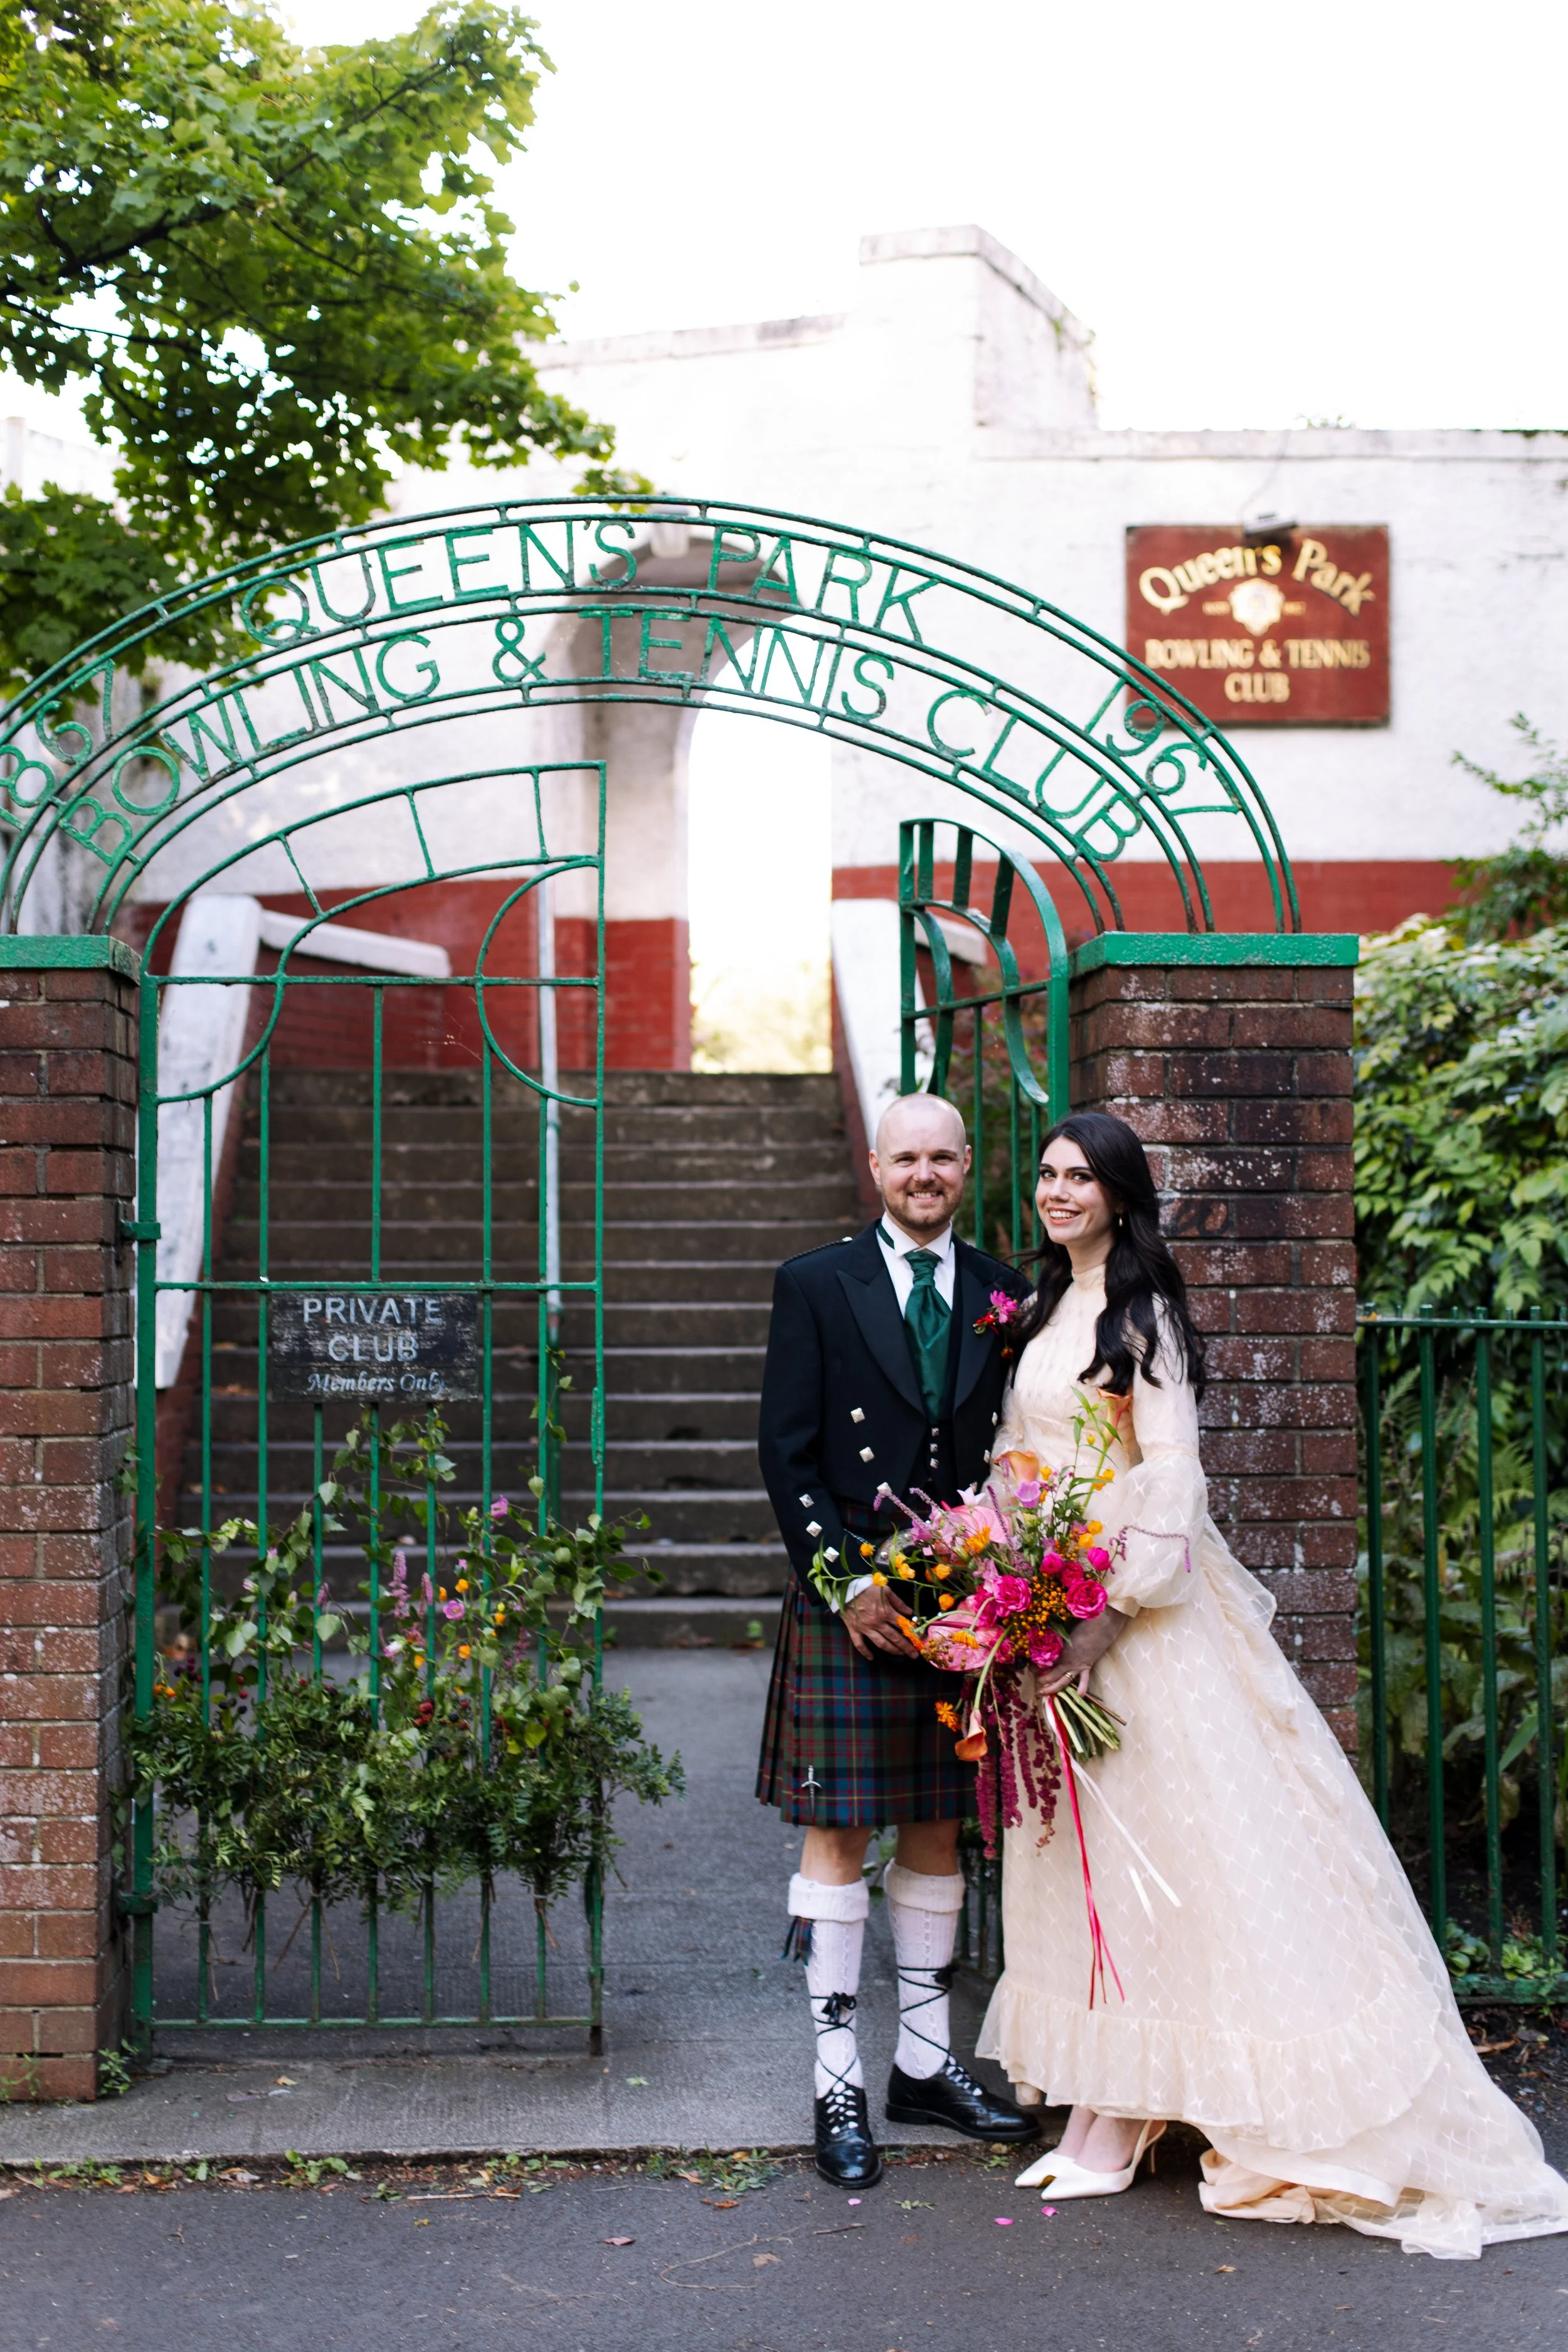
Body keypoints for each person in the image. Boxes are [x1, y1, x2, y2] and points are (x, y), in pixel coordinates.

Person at [976, 1110, 1568, 2259]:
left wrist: (1099, 1619)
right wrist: (1002, 1567)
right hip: (1047, 1601)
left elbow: (1172, 1474)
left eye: (1080, 1177)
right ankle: (1103, 2102)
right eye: (1047, 1174)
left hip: (1133, 1624)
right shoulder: (1044, 1308)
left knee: (1167, 1866)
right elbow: (1019, 1457)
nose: (1058, 1192)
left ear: (1119, 1195)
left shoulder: (1143, 1314)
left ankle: (1121, 2122)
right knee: (1088, 1865)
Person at [756, 1092, 1040, 2188]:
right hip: (855, 1597)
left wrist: (999, 1569)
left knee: (935, 1824)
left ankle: (924, 2064)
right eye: (906, 1157)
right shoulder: (815, 1283)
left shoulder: (1007, 1289)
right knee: (837, 1835)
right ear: (877, 1167)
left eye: (943, 1158)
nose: (925, 1174)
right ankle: (836, 2078)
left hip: (962, 1599)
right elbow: (787, 1451)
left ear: (967, 1166)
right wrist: (844, 1581)